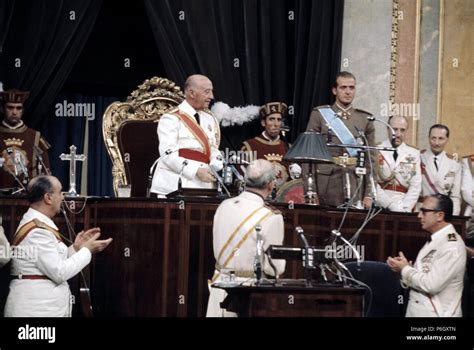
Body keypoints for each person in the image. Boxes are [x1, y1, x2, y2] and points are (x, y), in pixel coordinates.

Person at [4, 175, 112, 317]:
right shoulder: (37, 231)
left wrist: (76, 248)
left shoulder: (39, 224)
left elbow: (51, 261)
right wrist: (87, 250)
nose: (63, 197)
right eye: (61, 192)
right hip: (35, 311)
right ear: (48, 198)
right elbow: (59, 272)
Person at [206, 159, 286, 317]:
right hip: (247, 296)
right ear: (271, 184)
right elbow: (275, 268)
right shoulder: (271, 217)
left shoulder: (224, 206)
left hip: (218, 287)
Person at [387, 194, 466, 317]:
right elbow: (426, 273)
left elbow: (431, 285)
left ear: (440, 215)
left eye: (424, 212)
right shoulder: (437, 240)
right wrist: (405, 268)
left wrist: (405, 269)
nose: (419, 216)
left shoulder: (451, 245)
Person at [305, 71, 375, 208]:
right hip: (326, 183)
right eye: (343, 87)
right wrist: (310, 190)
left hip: (356, 182)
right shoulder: (319, 115)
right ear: (334, 90)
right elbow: (309, 156)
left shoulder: (365, 119)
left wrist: (369, 193)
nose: (348, 92)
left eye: (351, 87)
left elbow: (370, 160)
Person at [150, 74, 223, 196]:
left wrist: (215, 165)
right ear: (192, 93)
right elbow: (167, 154)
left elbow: (213, 148)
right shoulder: (171, 118)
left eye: (211, 91)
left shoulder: (209, 119)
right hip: (175, 185)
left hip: (205, 184)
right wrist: (196, 171)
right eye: (207, 92)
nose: (211, 96)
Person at [241, 101, 301, 189]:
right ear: (263, 123)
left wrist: (296, 175)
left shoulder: (289, 148)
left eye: (279, 120)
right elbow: (241, 181)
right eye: (271, 119)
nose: (276, 124)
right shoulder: (249, 146)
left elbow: (296, 186)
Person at [0, 89, 51, 190]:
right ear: (2, 109)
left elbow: (46, 173)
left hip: (28, 197)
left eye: (18, 108)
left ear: (22, 110)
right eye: (10, 108)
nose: (14, 112)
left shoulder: (35, 136)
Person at [376, 115, 421, 212]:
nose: (398, 134)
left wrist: (405, 208)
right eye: (394, 129)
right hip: (380, 204)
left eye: (402, 130)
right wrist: (390, 204)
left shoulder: (414, 153)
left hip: (403, 205)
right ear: (387, 129)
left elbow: (416, 185)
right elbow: (371, 183)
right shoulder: (376, 150)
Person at [419, 124, 461, 215]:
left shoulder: (454, 163)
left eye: (441, 138)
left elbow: (455, 196)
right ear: (428, 138)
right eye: (433, 138)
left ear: (447, 140)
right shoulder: (418, 157)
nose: (436, 143)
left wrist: (453, 215)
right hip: (422, 210)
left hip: (443, 212)